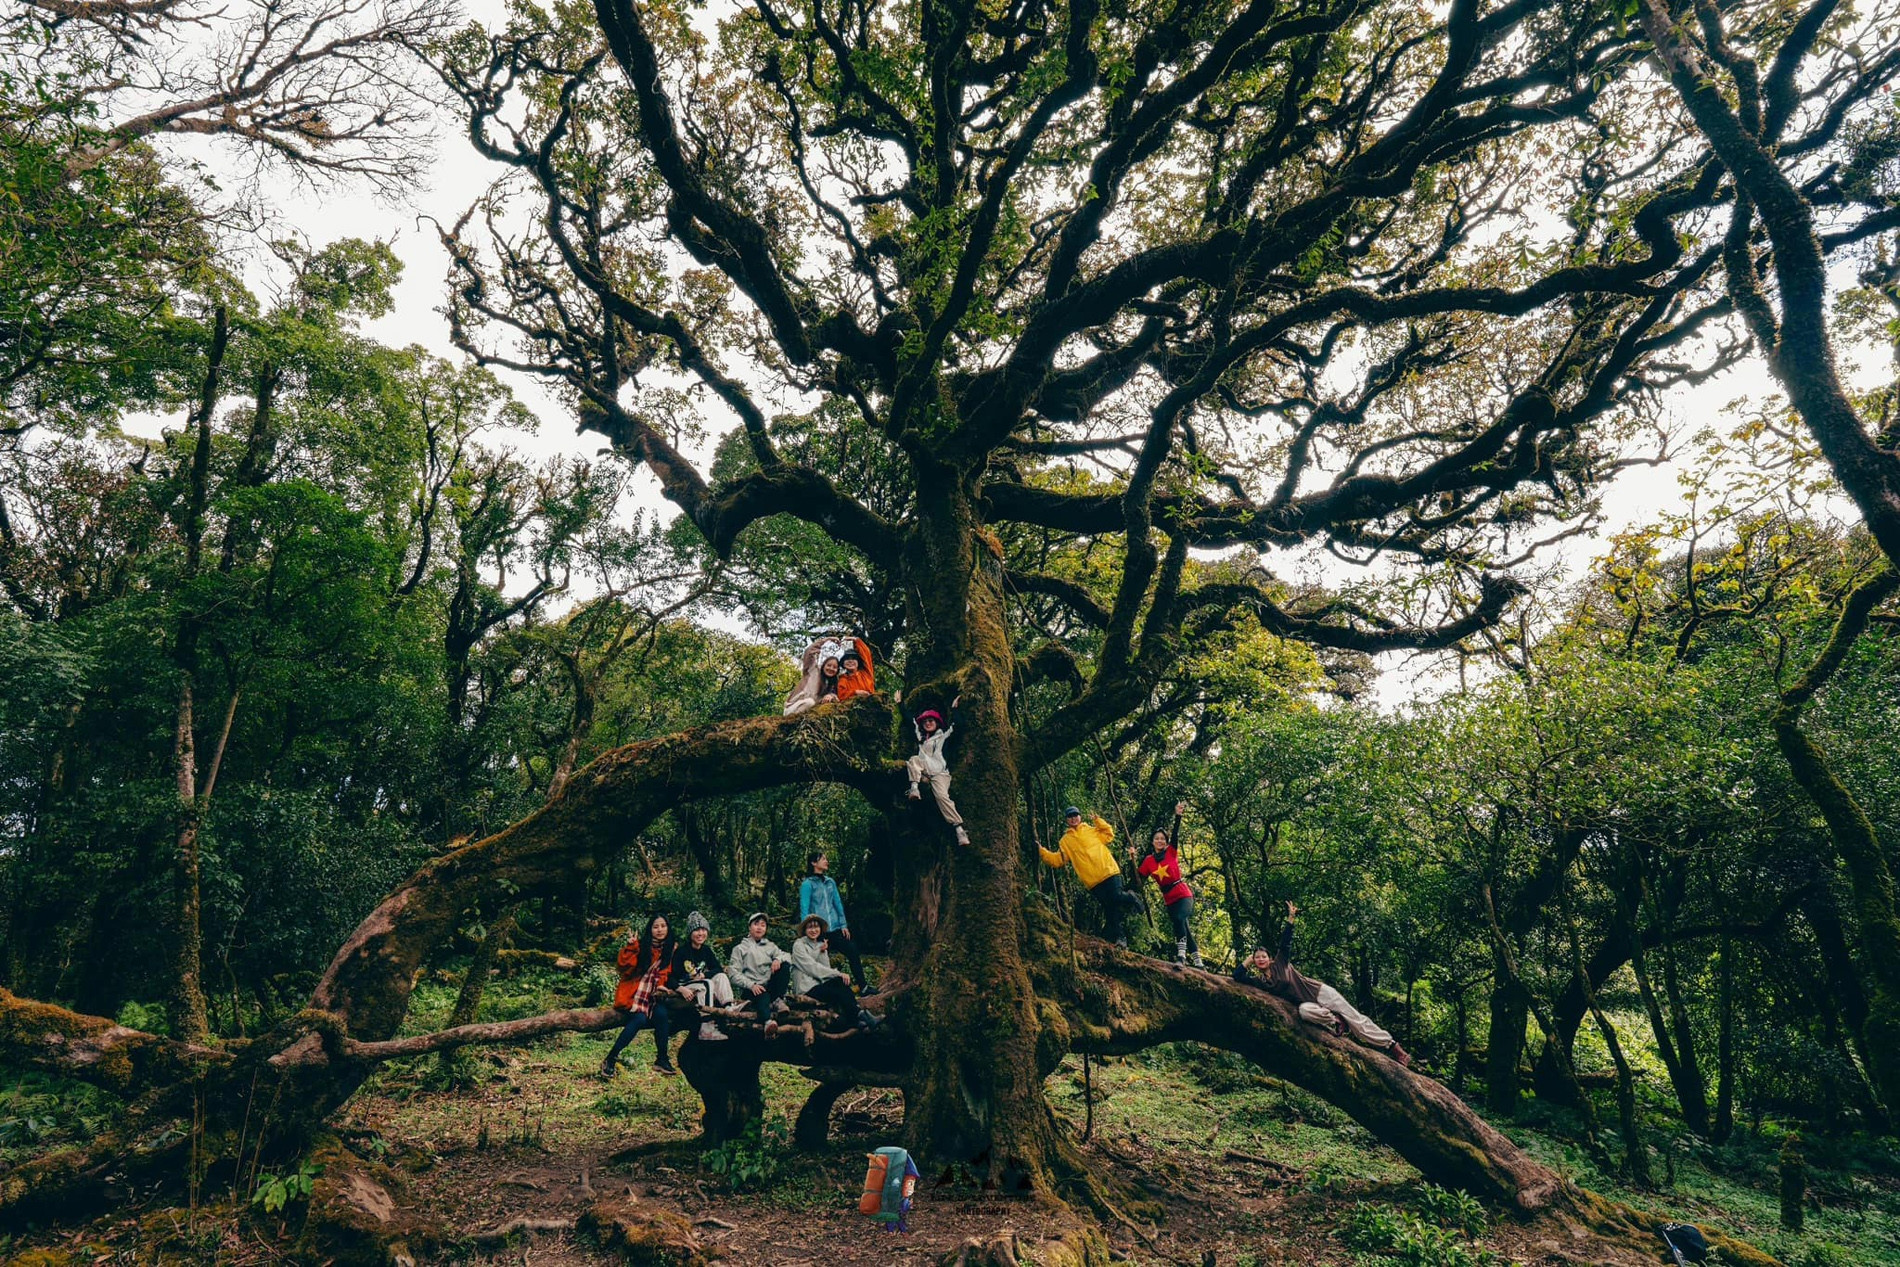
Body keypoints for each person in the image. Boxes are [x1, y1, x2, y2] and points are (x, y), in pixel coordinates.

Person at [1235, 900, 1411, 1067]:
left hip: (1320, 993)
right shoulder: (1260, 982)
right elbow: (1238, 977)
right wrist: (1247, 960)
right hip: (1311, 1005)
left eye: (1263, 956)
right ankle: (1335, 1021)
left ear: (1270, 958)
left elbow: (1286, 942)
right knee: (1304, 1012)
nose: (1260, 959)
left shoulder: (1281, 962)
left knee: (1357, 1023)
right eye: (1257, 958)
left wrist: (1291, 918)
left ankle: (1394, 1048)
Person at [1040, 807, 1141, 948]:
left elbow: (1109, 834)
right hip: (1093, 881)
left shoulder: (1092, 830)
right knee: (1109, 908)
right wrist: (1042, 851)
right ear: (1066, 820)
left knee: (1117, 896)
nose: (1073, 818)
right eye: (1070, 816)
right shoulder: (1065, 841)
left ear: (1080, 817)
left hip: (1109, 871)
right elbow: (1058, 860)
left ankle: (1131, 897)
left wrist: (1098, 820)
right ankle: (1120, 938)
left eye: (1075, 815)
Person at [600, 914, 679, 1078]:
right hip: (635, 993)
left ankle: (662, 1059)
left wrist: (666, 987)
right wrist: (631, 947)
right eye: (656, 926)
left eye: (663, 926)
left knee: (662, 1015)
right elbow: (624, 968)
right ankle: (611, 1058)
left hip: (656, 995)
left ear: (668, 928)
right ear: (650, 929)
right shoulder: (641, 946)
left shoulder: (672, 949)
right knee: (640, 1019)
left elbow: (671, 973)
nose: (660, 930)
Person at [1132, 801, 1204, 968]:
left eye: (1162, 839)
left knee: (1180, 919)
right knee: (1183, 926)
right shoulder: (1148, 861)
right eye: (1156, 838)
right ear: (1152, 841)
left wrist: (1178, 816)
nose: (1159, 841)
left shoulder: (1171, 852)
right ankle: (1199, 963)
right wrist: (1132, 858)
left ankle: (1181, 957)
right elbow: (1138, 880)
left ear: (1165, 841)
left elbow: (1176, 836)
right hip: (1169, 899)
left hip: (1183, 894)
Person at [790, 914, 880, 1034]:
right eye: (810, 927)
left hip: (820, 985)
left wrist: (822, 952)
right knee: (838, 986)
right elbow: (812, 967)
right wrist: (838, 973)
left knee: (840, 982)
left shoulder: (820, 944)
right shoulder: (799, 944)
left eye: (816, 927)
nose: (813, 930)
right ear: (805, 930)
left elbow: (826, 969)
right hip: (806, 988)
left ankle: (858, 1018)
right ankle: (860, 1016)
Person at [799, 851, 872, 993]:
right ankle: (817, 992)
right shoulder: (807, 884)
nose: (826, 861)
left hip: (835, 930)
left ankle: (863, 987)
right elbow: (804, 908)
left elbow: (837, 904)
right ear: (814, 863)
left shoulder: (830, 882)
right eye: (823, 859)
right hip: (819, 932)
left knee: (852, 950)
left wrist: (843, 925)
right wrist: (807, 932)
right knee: (820, 962)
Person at [906, 696, 971, 846]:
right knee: (913, 760)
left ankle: (959, 829)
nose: (928, 723)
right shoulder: (921, 737)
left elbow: (959, 725)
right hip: (923, 770)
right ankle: (914, 788)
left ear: (936, 722)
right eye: (925, 722)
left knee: (942, 797)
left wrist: (955, 709)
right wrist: (900, 704)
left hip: (939, 773)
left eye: (931, 721)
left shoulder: (943, 736)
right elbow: (911, 722)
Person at [670, 910, 732, 1042]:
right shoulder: (682, 952)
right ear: (690, 933)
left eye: (704, 930)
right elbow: (670, 977)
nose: (701, 933)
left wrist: (704, 974)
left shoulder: (706, 950)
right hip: (685, 985)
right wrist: (681, 989)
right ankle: (706, 1025)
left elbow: (718, 968)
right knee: (707, 984)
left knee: (721, 976)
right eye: (697, 930)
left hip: (700, 983)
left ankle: (729, 1008)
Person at [728, 911, 794, 1035]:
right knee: (762, 995)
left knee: (784, 965)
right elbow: (733, 973)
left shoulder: (770, 946)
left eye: (763, 925)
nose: (759, 927)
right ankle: (768, 1023)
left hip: (770, 986)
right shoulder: (739, 949)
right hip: (752, 989)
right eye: (756, 924)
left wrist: (777, 959)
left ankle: (778, 1000)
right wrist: (751, 985)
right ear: (749, 927)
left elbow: (787, 956)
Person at [784, 639, 843, 715]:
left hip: (807, 713)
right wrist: (827, 640)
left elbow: (836, 698)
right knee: (810, 702)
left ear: (837, 670)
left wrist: (830, 696)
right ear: (823, 666)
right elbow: (809, 652)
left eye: (834, 667)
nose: (831, 668)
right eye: (829, 665)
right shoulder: (812, 671)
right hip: (792, 708)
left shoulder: (831, 685)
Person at [835, 636, 876, 701]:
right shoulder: (842, 679)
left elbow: (866, 653)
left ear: (858, 662)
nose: (850, 661)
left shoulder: (866, 673)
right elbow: (841, 695)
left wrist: (856, 640)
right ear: (843, 663)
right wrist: (855, 692)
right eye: (847, 659)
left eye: (853, 658)